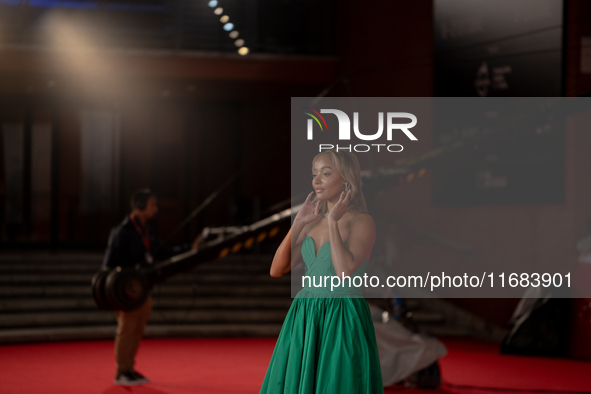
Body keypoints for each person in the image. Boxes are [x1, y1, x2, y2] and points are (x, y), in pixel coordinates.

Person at [260, 150, 384, 393]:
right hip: (305, 311)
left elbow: (345, 271)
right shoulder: (311, 223)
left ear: (346, 180)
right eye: (314, 174)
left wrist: (332, 222)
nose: (316, 180)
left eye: (326, 174)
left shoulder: (362, 222)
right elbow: (276, 269)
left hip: (342, 313)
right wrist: (298, 224)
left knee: (336, 383)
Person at [102, 188, 201, 386]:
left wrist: (189, 250)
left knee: (138, 328)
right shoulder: (123, 231)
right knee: (127, 328)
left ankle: (130, 368)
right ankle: (121, 371)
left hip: (142, 289)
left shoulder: (148, 230)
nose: (156, 209)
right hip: (126, 291)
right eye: (153, 205)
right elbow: (109, 264)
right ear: (140, 206)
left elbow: (163, 251)